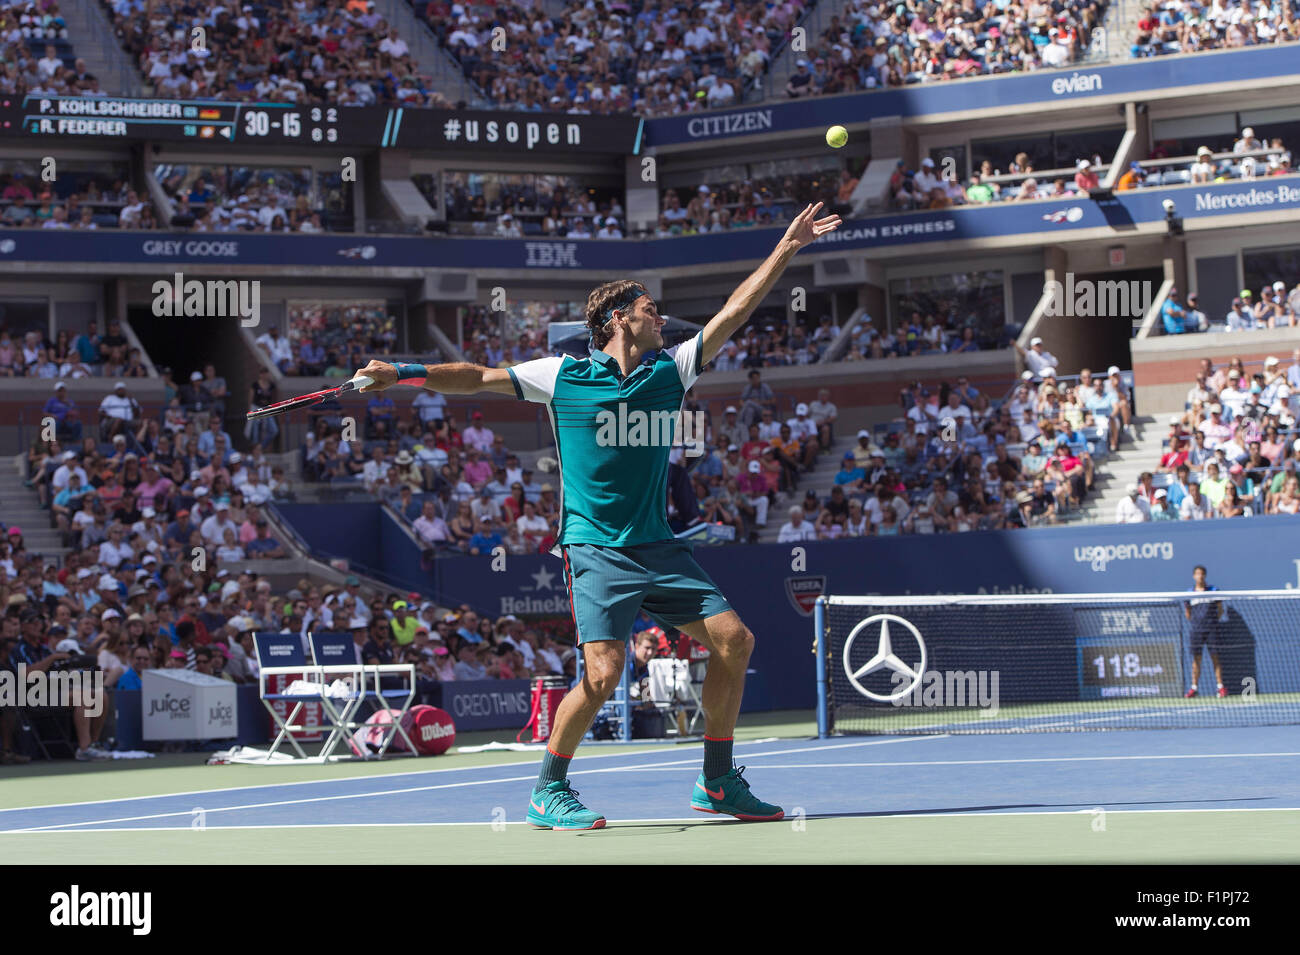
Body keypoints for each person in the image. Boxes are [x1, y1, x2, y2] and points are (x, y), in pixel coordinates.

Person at [352, 202, 841, 829]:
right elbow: (475, 376)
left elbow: (734, 313)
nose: (659, 317)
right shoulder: (563, 376)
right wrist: (403, 372)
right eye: (649, 310)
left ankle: (717, 782)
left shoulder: (671, 371)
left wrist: (786, 248)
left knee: (734, 640)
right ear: (619, 319)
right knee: (604, 674)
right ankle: (548, 789)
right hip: (595, 548)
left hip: (657, 547)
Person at [1184, 565, 1226, 698]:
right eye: (1197, 574)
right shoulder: (1189, 593)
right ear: (1194, 576)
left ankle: (1220, 687)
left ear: (1205, 576)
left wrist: (1212, 622)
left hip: (1211, 629)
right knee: (1196, 659)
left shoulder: (1213, 591)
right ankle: (1194, 688)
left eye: (1202, 574)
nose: (1200, 576)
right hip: (1197, 630)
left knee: (1215, 658)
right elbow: (1188, 613)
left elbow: (1220, 610)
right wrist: (1197, 623)